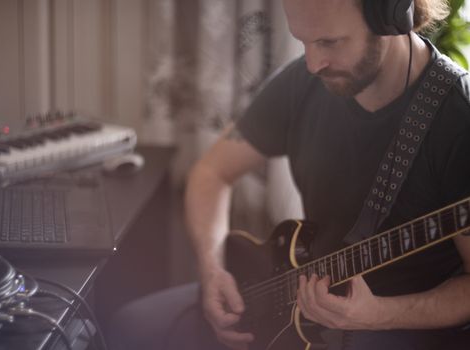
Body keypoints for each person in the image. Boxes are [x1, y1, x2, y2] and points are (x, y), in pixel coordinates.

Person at [108, 0, 470, 349]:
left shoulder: (456, 116)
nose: (313, 63)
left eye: (329, 42)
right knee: (128, 326)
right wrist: (212, 268)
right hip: (289, 301)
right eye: (303, 42)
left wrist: (379, 315)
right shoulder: (306, 81)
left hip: (396, 328)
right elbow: (211, 173)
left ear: (390, 13)